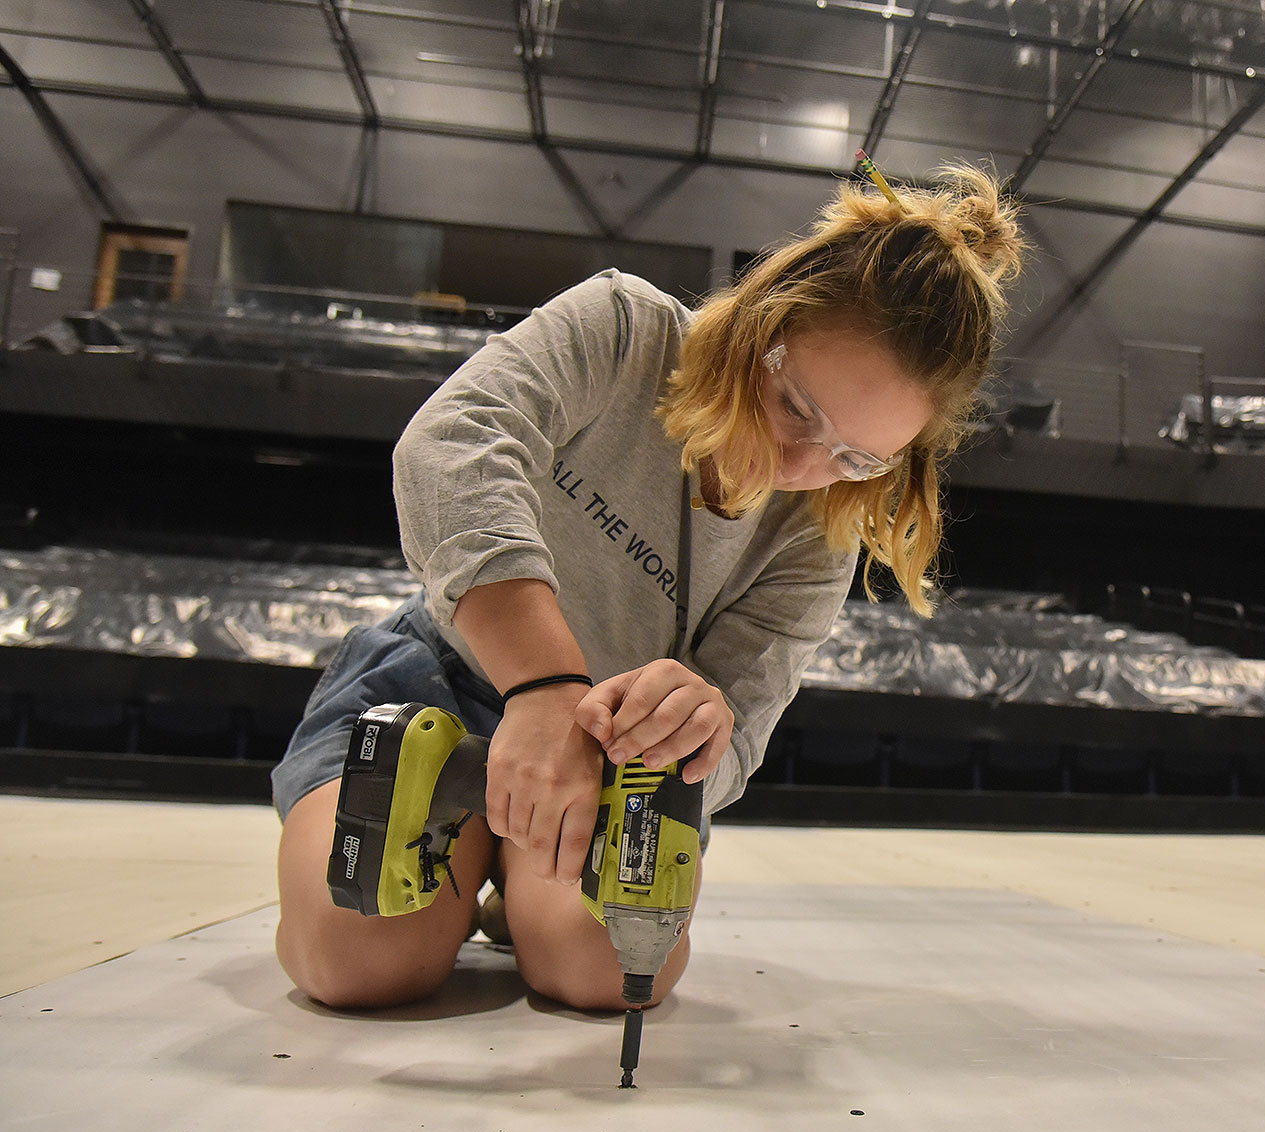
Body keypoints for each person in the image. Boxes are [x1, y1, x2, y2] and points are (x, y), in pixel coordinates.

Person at [271, 164, 1023, 1012]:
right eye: (796, 407)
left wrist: (700, 729)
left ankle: (514, 860)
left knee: (609, 973)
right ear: (758, 319)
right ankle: (485, 839)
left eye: (859, 457)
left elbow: (738, 734)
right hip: (432, 688)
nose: (803, 466)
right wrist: (545, 689)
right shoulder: (623, 328)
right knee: (357, 962)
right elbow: (449, 446)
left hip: (609, 761)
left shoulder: (820, 535)